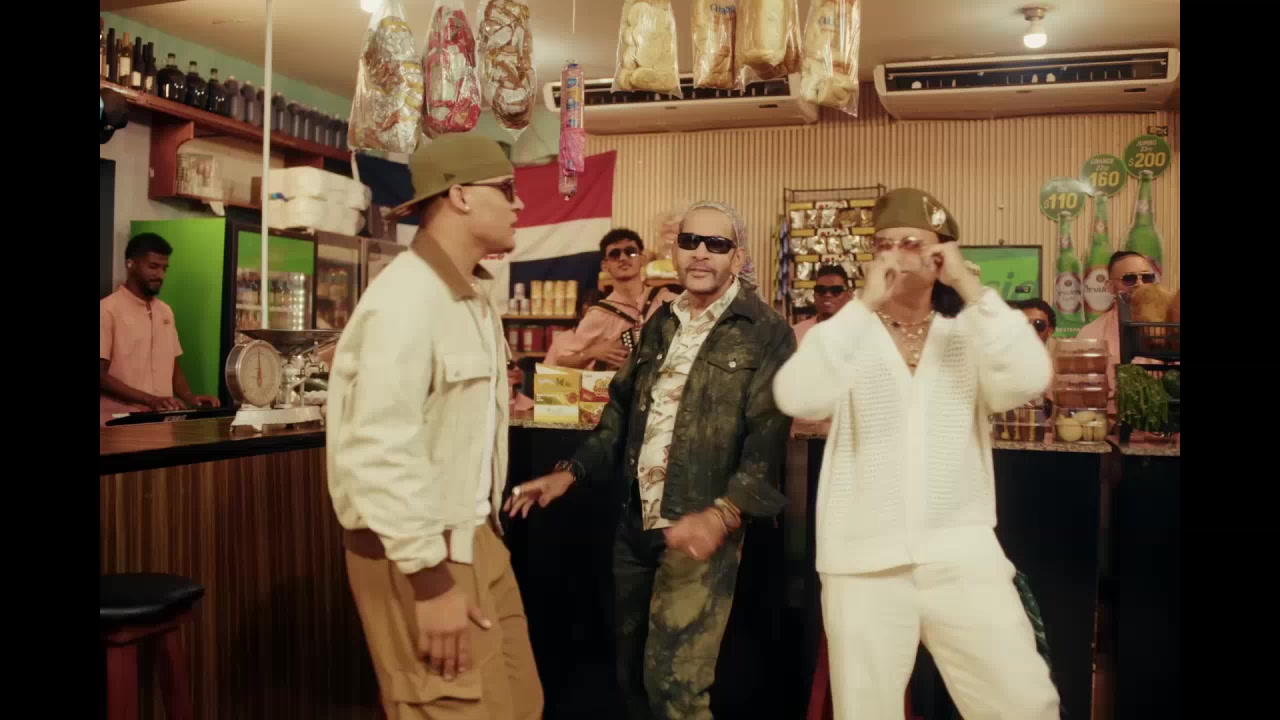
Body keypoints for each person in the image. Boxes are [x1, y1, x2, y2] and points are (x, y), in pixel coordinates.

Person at [774, 188, 1059, 719]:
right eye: (884, 244)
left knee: (1023, 701)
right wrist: (862, 306)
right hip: (862, 562)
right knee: (866, 710)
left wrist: (970, 287)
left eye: (912, 243)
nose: (896, 255)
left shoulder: (967, 332)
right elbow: (798, 396)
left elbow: (1028, 377)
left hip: (962, 552)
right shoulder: (849, 333)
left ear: (941, 253)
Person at [506, 201, 796, 720]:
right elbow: (619, 411)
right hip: (634, 524)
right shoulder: (662, 321)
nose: (701, 253)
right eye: (690, 241)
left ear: (737, 257)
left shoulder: (766, 330)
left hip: (699, 526)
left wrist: (723, 515)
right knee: (633, 677)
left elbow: (767, 441)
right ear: (674, 252)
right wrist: (568, 472)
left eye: (716, 244)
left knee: (676, 687)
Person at [325, 134, 542, 720]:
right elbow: (377, 450)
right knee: (450, 709)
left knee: (521, 704)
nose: (519, 203)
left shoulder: (469, 296)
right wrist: (429, 581)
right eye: (507, 190)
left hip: (474, 537)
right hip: (418, 553)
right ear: (462, 196)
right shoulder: (405, 300)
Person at [100, 233, 220, 426]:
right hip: (118, 426)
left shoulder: (165, 312)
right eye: (153, 267)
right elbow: (101, 376)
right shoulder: (107, 310)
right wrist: (150, 400)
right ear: (130, 264)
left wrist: (190, 397)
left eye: (164, 268)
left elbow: (172, 364)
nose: (160, 275)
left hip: (160, 424)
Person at [545, 228, 677, 370]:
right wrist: (592, 352)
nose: (623, 258)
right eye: (614, 254)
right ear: (605, 266)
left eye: (630, 252)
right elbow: (563, 362)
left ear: (642, 259)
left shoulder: (668, 301)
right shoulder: (598, 315)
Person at [1075, 250, 1163, 413]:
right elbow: (1080, 396)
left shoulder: (1170, 329)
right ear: (1110, 286)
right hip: (1108, 423)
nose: (1140, 284)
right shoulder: (1090, 334)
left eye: (1147, 277)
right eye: (1129, 279)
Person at [793, 264, 854, 346]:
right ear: (814, 295)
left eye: (836, 290)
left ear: (849, 295)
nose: (827, 295)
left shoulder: (862, 334)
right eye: (821, 290)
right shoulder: (796, 334)